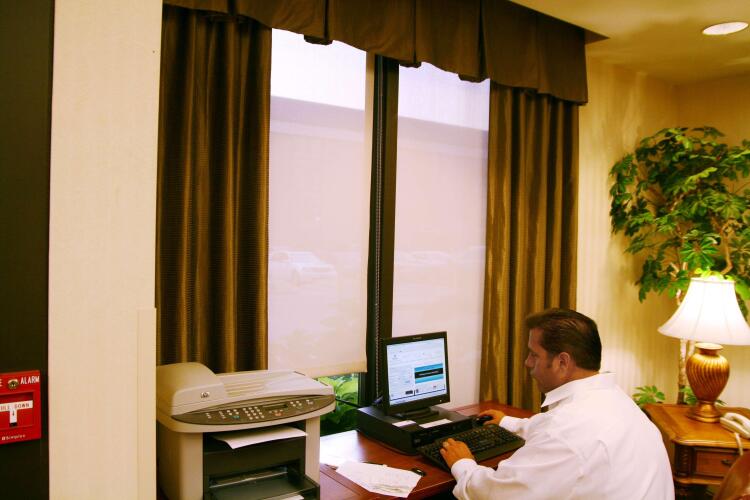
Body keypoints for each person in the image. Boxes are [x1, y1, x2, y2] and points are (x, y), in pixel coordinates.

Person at [440, 308, 674, 500]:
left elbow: (496, 494)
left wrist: (463, 463)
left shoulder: (565, 433)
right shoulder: (615, 400)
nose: (527, 362)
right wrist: (508, 423)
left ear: (562, 362)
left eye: (534, 355)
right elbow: (557, 428)